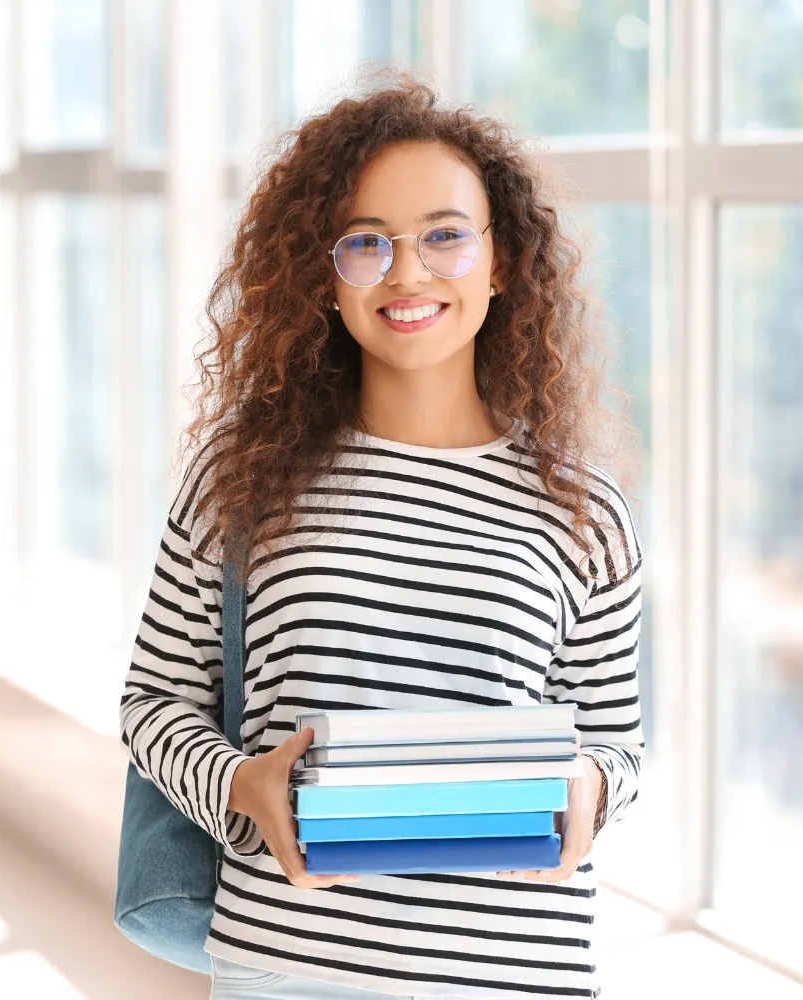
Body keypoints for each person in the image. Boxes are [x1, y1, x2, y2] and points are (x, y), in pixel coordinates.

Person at [119, 72, 643, 1000]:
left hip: (514, 972)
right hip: (288, 964)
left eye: (445, 236)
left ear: (503, 260)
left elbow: (614, 741)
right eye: (366, 243)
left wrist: (591, 788)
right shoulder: (240, 484)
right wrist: (246, 787)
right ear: (323, 275)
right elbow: (153, 704)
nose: (408, 272)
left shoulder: (585, 511)